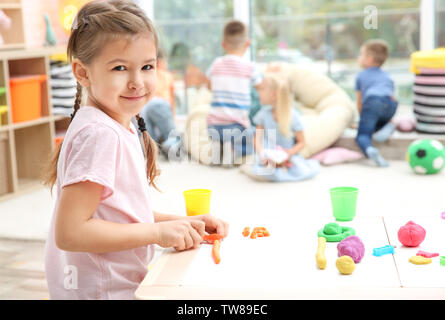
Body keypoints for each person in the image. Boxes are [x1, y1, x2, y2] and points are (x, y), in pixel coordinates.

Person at [42, 0, 228, 300]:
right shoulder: (100, 135)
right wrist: (156, 234)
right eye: (119, 68)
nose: (137, 82)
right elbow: (71, 232)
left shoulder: (111, 124)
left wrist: (177, 223)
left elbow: (118, 211)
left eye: (147, 66)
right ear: (82, 73)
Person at [206, 20, 263, 166]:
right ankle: (234, 152)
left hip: (214, 125)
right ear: (247, 44)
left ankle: (219, 149)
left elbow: (209, 85)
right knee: (250, 137)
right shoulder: (250, 67)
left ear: (223, 44)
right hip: (237, 127)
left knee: (218, 133)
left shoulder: (216, 63)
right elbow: (261, 87)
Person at [244, 73, 320, 182]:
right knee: (264, 170)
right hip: (267, 155)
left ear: (274, 95)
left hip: (287, 156)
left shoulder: (293, 116)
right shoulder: (263, 114)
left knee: (300, 171)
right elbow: (257, 138)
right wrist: (262, 153)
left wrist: (288, 153)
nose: (258, 92)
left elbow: (302, 142)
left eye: (262, 89)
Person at [355, 39, 398, 167]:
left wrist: (361, 120)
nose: (359, 58)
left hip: (372, 101)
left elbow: (360, 103)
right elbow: (391, 97)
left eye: (361, 55)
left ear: (370, 59)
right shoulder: (387, 75)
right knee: (376, 120)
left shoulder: (361, 76)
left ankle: (370, 149)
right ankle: (387, 126)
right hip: (391, 104)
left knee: (363, 134)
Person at [139, 48, 182, 159]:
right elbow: (172, 99)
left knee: (149, 137)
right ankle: (171, 148)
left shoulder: (145, 75)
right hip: (160, 104)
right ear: (161, 61)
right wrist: (172, 118)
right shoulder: (166, 75)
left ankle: (151, 151)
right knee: (172, 135)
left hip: (145, 105)